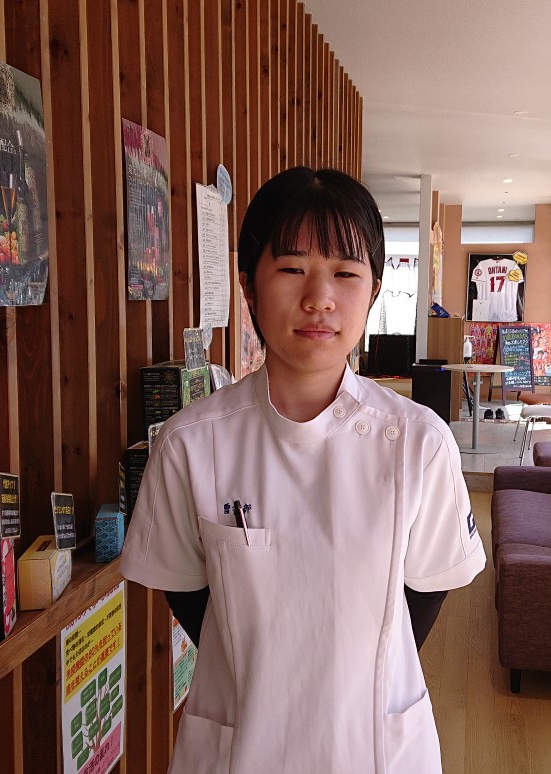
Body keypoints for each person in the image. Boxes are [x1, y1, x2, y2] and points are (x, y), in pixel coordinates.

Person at [120, 167, 485, 773]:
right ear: (248, 287)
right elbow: (184, 587)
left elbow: (429, 586)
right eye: (292, 269)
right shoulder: (190, 443)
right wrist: (263, 666)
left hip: (375, 746)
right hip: (241, 748)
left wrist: (353, 671)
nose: (319, 298)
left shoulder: (419, 442)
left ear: (373, 292)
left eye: (345, 273)